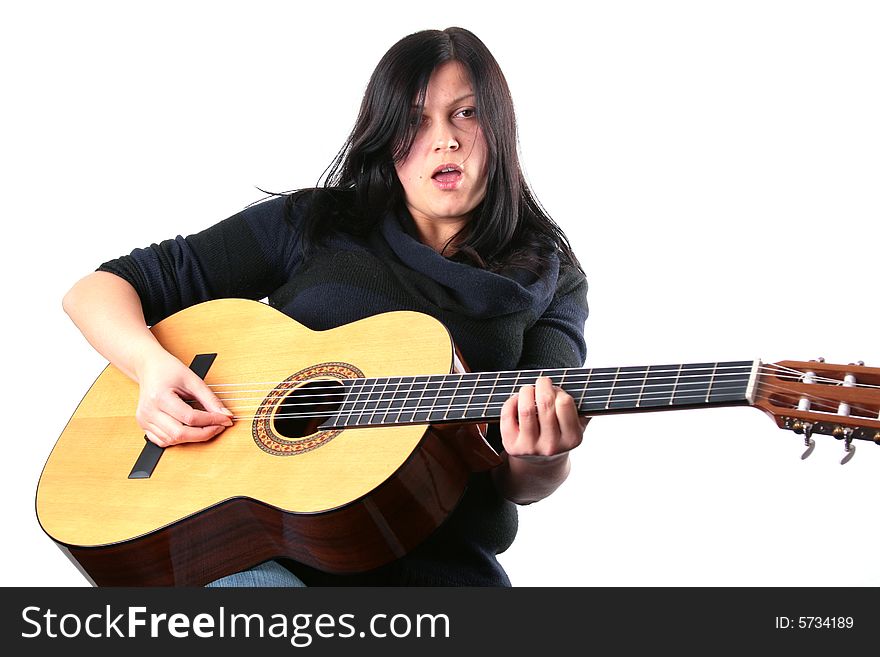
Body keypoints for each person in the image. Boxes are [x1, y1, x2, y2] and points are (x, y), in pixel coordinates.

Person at [62, 26, 589, 587]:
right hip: (262, 556)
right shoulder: (312, 223)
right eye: (415, 120)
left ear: (500, 128)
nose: (445, 140)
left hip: (440, 562)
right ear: (386, 137)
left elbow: (523, 474)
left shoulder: (551, 276)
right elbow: (98, 290)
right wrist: (150, 368)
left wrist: (542, 458)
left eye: (466, 113)